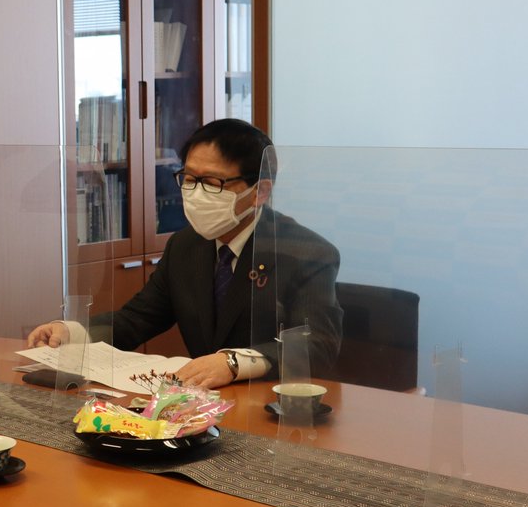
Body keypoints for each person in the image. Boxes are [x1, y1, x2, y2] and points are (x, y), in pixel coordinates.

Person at [28, 119, 342, 388]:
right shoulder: (185, 245)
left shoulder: (307, 253)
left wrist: (234, 363)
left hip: (272, 406)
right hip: (201, 403)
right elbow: (138, 318)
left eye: (212, 183)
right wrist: (73, 332)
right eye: (190, 179)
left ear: (259, 191)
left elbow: (318, 346)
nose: (196, 193)